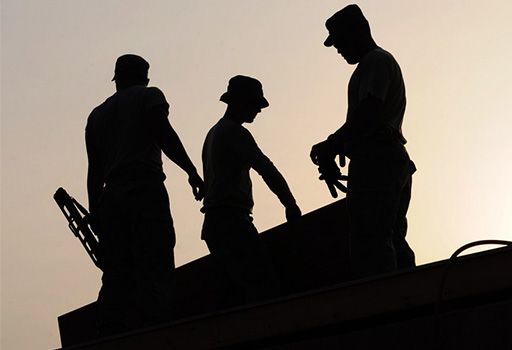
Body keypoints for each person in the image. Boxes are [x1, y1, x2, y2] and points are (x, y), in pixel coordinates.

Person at [85, 54, 205, 335]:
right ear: (145, 78)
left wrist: (95, 211)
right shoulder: (149, 96)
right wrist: (191, 171)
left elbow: (94, 170)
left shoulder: (96, 115)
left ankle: (110, 327)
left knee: (116, 269)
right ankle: (157, 327)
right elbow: (164, 134)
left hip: (110, 197)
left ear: (117, 80)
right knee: (155, 257)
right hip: (143, 189)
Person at [311, 4, 416, 278]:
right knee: (391, 238)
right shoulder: (371, 65)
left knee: (372, 243)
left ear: (359, 32)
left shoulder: (375, 61)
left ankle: (384, 306)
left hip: (378, 160)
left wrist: (333, 144)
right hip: (385, 159)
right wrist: (339, 148)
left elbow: (370, 109)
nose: (338, 49)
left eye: (341, 42)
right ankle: (410, 300)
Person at [201, 75, 301, 307]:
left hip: (216, 224)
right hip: (230, 222)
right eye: (255, 104)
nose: (258, 110)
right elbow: (265, 168)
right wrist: (290, 203)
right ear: (238, 102)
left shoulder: (213, 133)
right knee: (263, 284)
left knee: (235, 293)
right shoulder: (234, 132)